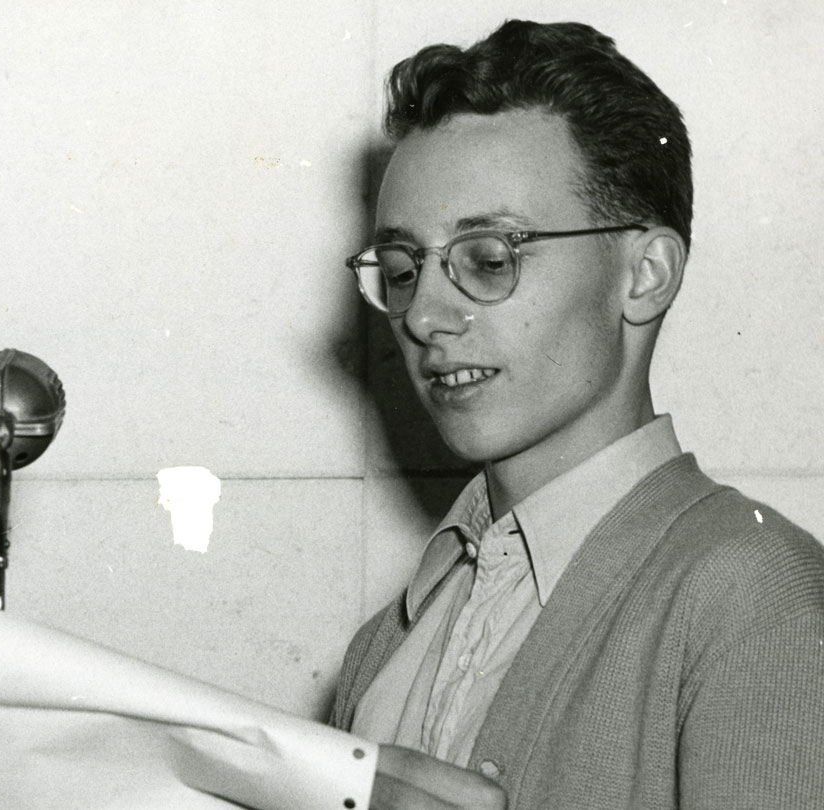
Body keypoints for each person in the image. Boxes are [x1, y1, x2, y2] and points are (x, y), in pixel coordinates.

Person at [331, 19, 824, 809]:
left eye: (489, 260)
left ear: (645, 274)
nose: (423, 314)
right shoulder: (389, 642)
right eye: (400, 268)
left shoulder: (750, 598)